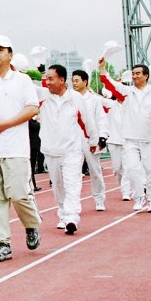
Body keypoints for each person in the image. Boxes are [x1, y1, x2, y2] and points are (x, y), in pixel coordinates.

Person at [0, 35, 42, 261]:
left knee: (18, 194)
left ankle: (31, 224)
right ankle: (1, 244)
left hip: (15, 149)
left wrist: (6, 124)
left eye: (0, 50)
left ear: (10, 54)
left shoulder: (22, 80)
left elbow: (33, 108)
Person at [99, 59, 151, 213]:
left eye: (138, 74)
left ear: (146, 76)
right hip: (130, 138)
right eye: (133, 74)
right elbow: (110, 84)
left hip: (149, 138)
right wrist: (103, 69)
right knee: (132, 169)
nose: (134, 76)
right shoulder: (128, 92)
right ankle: (138, 197)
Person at [39, 64, 98, 235]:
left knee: (72, 185)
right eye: (46, 78)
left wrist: (93, 140)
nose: (47, 82)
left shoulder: (75, 98)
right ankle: (63, 214)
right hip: (51, 150)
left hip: (72, 150)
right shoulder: (43, 96)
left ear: (62, 80)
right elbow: (25, 85)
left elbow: (86, 120)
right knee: (58, 187)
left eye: (51, 78)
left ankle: (71, 217)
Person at [71, 69, 108, 211]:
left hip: (90, 139)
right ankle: (73, 205)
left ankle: (99, 199)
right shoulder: (70, 98)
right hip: (74, 141)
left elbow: (101, 119)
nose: (74, 83)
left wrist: (102, 136)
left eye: (77, 80)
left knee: (95, 171)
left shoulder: (94, 100)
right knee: (73, 173)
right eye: (73, 81)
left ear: (85, 82)